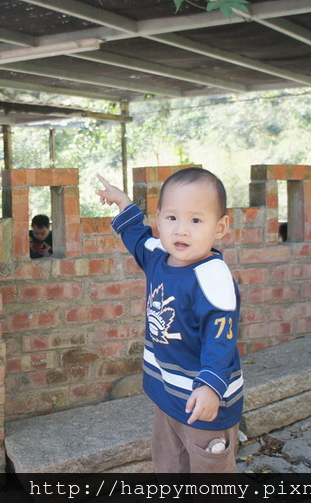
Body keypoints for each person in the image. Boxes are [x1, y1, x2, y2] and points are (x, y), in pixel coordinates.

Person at [96, 169, 243, 473]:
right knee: (170, 464)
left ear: (220, 227)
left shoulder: (212, 277)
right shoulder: (158, 256)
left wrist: (211, 387)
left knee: (208, 473)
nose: (181, 230)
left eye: (196, 220)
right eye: (172, 218)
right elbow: (136, 237)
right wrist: (124, 204)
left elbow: (221, 340)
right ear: (159, 218)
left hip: (204, 403)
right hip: (168, 393)